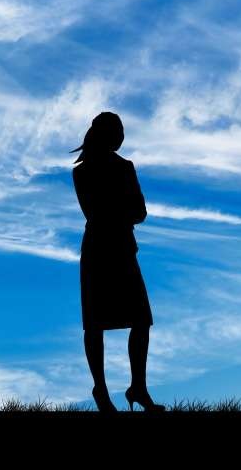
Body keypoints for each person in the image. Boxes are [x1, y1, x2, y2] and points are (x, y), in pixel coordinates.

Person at [71, 112, 164, 413]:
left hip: (119, 247)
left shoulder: (123, 167)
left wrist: (118, 212)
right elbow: (100, 212)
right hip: (103, 247)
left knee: (140, 319)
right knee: (96, 322)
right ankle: (102, 388)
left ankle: (138, 386)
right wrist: (120, 211)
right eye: (118, 131)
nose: (121, 136)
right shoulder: (84, 171)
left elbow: (139, 211)